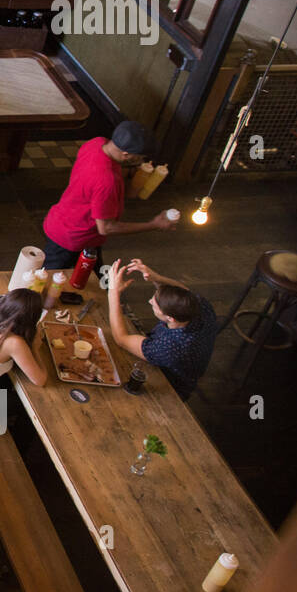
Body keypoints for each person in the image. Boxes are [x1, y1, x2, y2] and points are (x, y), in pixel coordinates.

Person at [41, 120, 176, 271]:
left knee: (97, 277)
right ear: (126, 154)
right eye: (139, 157)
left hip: (69, 223)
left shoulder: (96, 143)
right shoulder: (106, 181)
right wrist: (153, 224)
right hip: (72, 237)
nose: (141, 161)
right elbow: (106, 228)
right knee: (50, 281)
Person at [106, 259, 219, 401]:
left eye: (155, 304)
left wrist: (113, 293)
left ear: (170, 318)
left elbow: (121, 339)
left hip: (168, 386)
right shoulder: (199, 306)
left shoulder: (170, 347)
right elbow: (183, 291)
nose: (150, 301)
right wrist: (156, 278)